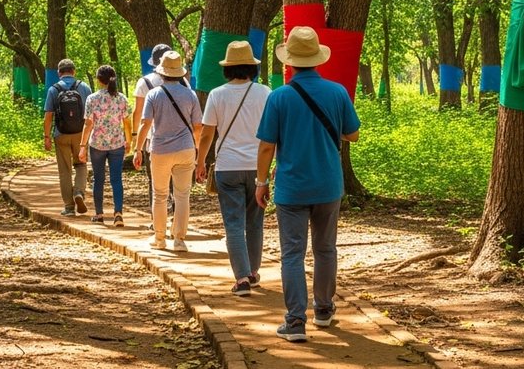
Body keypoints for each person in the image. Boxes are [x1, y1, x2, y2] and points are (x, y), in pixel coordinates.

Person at [255, 26, 360, 342]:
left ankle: (295, 321)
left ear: (290, 62)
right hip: (328, 185)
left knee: (292, 252)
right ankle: (324, 310)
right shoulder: (338, 92)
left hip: (292, 188)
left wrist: (261, 182)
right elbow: (352, 133)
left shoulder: (279, 97)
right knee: (326, 248)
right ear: (317, 59)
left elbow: (266, 146)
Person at [196, 40, 271, 296]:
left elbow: (207, 135)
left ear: (227, 68)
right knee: (255, 222)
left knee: (233, 224)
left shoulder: (217, 94)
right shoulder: (265, 93)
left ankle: (241, 279)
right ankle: (252, 272)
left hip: (227, 167)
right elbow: (274, 134)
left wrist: (200, 162)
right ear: (252, 67)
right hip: (257, 167)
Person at [133, 51, 201, 252]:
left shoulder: (154, 94)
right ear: (180, 73)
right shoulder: (190, 95)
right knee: (182, 196)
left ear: (161, 72)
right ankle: (179, 240)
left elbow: (146, 124)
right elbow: (198, 126)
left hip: (160, 149)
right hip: (185, 149)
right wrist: (196, 148)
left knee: (160, 194)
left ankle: (160, 238)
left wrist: (138, 149)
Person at [79, 65, 129, 226]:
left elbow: (88, 124)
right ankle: (118, 214)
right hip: (117, 143)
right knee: (116, 179)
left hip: (97, 144)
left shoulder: (92, 99)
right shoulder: (121, 98)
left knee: (98, 179)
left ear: (99, 80)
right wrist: (129, 140)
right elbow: (127, 122)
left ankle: (99, 214)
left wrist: (82, 145)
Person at [43, 58, 93, 216]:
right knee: (81, 165)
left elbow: (48, 116)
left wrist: (46, 137)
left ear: (59, 73)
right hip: (81, 134)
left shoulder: (53, 89)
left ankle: (69, 207)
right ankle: (79, 192)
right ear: (74, 71)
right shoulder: (84, 87)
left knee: (64, 171)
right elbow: (92, 114)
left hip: (61, 134)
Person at [132, 43, 177, 213]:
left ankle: (157, 219)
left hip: (154, 139)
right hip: (179, 138)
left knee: (155, 181)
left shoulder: (145, 82)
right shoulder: (184, 81)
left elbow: (138, 113)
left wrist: (136, 138)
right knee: (177, 181)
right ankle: (176, 215)